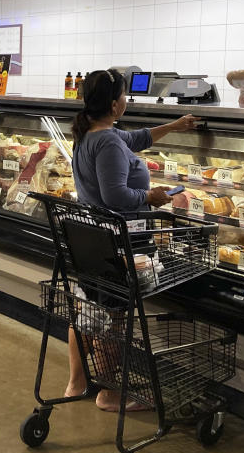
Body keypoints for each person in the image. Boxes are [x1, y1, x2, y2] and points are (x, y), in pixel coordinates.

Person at [67, 69, 200, 412]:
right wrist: (149, 197)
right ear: (115, 104)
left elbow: (136, 139)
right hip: (118, 241)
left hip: (91, 238)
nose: (127, 100)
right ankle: (109, 393)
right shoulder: (108, 140)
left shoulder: (89, 134)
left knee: (86, 309)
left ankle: (77, 382)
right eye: (125, 95)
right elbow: (116, 196)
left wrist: (172, 126)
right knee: (115, 316)